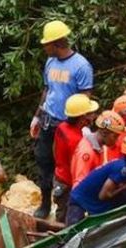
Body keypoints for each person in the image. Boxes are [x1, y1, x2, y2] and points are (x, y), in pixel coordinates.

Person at [30, 20, 94, 218]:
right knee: (43, 162)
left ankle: (65, 209)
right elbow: (47, 90)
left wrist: (80, 124)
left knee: (65, 168)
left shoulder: (81, 66)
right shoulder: (51, 62)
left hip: (67, 125)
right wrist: (37, 116)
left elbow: (86, 97)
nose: (44, 48)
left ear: (56, 43)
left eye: (46, 44)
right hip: (48, 121)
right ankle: (44, 204)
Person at [67, 134, 126, 225]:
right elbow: (103, 195)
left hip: (93, 202)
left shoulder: (125, 166)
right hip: (81, 202)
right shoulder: (122, 168)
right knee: (73, 232)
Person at [52, 94, 99, 223]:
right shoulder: (76, 141)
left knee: (63, 213)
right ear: (83, 117)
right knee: (68, 219)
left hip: (60, 176)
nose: (94, 116)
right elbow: (80, 167)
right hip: (68, 183)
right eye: (90, 113)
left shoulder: (62, 127)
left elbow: (55, 149)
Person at [70, 110, 126, 189]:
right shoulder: (87, 153)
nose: (117, 140)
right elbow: (79, 185)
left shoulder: (99, 147)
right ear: (104, 133)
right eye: (115, 136)